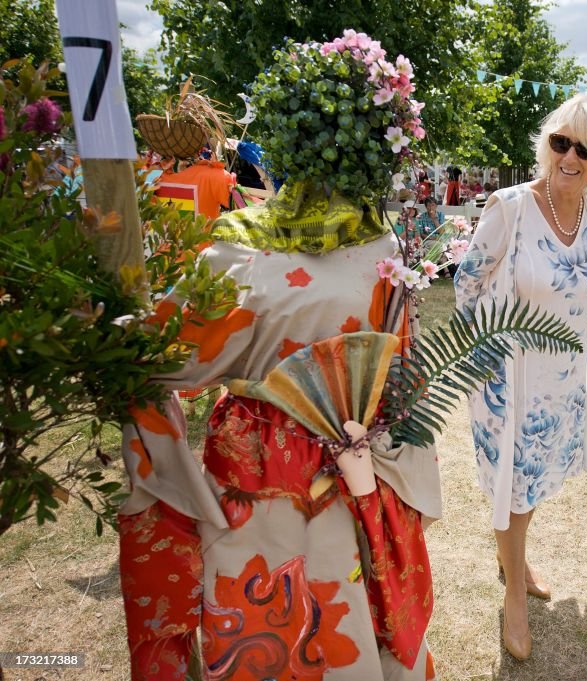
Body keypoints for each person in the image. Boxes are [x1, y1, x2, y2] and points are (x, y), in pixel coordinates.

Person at [116, 33, 440, 680]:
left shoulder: (237, 254)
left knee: (256, 640)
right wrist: (388, 495)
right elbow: (406, 394)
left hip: (250, 487)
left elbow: (154, 357)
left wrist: (113, 331)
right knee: (341, 627)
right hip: (347, 478)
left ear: (289, 138)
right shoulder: (384, 258)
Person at [454, 93, 587, 661]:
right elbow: (468, 284)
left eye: (585, 146)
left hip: (563, 378)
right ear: (547, 144)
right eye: (561, 142)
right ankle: (514, 592)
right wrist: (485, 355)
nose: (570, 156)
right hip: (510, 377)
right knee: (515, 485)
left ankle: (515, 557)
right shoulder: (510, 206)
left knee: (532, 484)